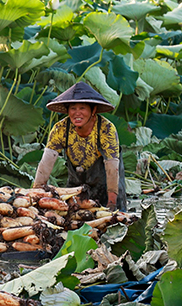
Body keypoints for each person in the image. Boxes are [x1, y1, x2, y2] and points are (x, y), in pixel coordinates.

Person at [32, 82, 127, 210]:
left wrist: (111, 203)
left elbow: (112, 168)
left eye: (82, 108)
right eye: (73, 108)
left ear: (93, 110)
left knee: (113, 220)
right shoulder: (60, 129)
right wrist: (36, 193)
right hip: (76, 184)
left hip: (106, 185)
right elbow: (46, 163)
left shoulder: (106, 129)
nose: (77, 113)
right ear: (67, 110)